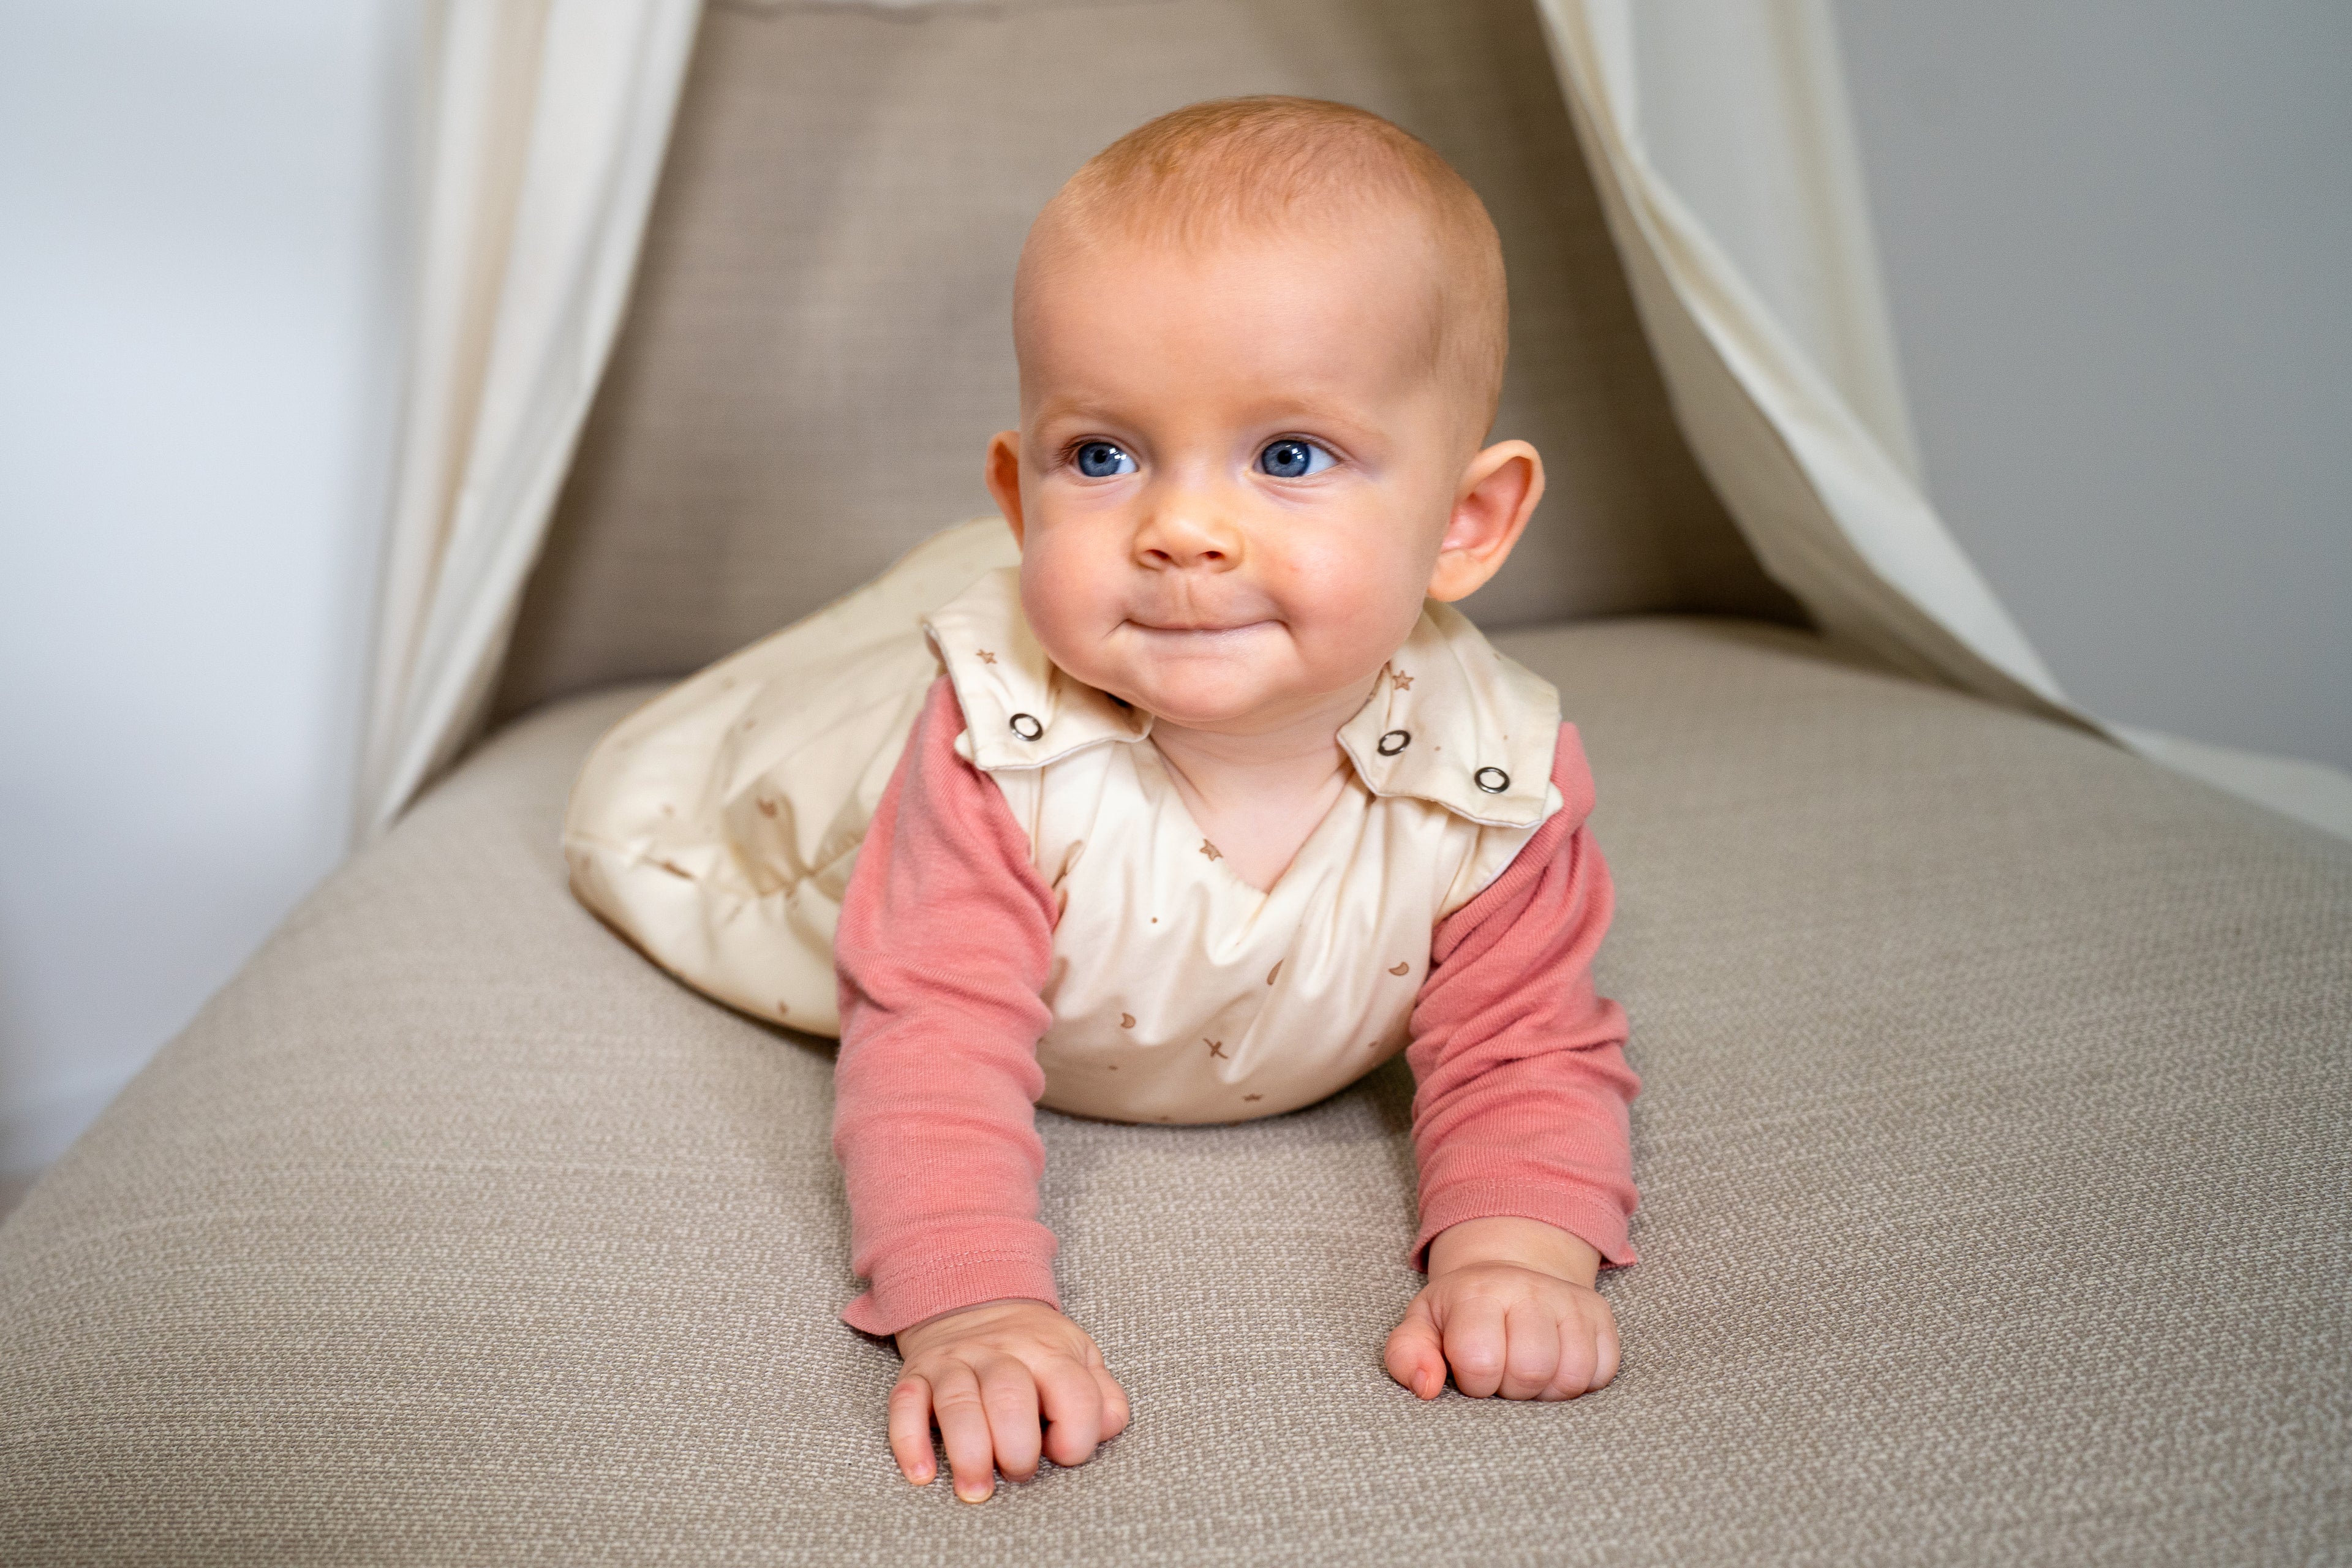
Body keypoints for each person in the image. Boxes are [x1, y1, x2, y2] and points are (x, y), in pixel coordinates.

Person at [565, 96, 1638, 1506]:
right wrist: (972, 1308)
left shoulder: (1497, 780)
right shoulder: (988, 752)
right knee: (745, 780)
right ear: (1023, 497)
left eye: (1290, 456)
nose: (1181, 528)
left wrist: (1520, 1250)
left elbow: (1524, 1039)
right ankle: (934, 603)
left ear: (1464, 523)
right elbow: (932, 1035)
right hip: (851, 820)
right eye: (1104, 457)